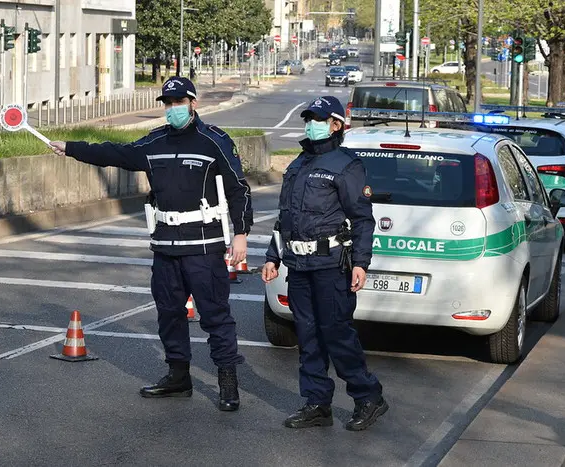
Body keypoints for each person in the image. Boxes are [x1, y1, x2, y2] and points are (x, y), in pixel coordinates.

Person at [49, 77, 253, 412]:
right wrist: (70, 147)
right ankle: (178, 376)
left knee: (216, 316)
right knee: (169, 314)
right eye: (168, 103)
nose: (173, 108)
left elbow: (238, 189)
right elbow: (114, 153)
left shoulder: (213, 140)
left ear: (193, 102)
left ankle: (227, 382)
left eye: (179, 102)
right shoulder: (155, 141)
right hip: (166, 246)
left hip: (204, 246)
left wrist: (241, 233)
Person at [261, 96, 387, 431]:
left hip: (332, 266)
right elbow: (284, 219)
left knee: (336, 335)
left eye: (317, 118)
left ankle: (368, 396)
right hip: (299, 267)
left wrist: (361, 262)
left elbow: (362, 219)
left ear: (336, 124)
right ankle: (317, 402)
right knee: (308, 336)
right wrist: (273, 257)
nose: (310, 124)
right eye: (308, 118)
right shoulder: (299, 164)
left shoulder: (346, 165)